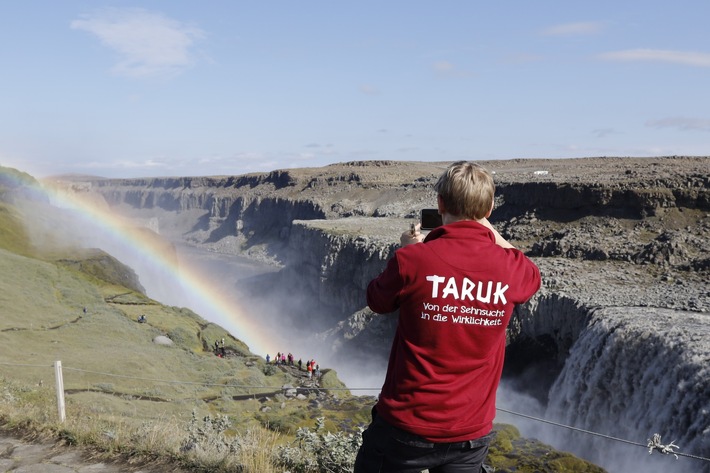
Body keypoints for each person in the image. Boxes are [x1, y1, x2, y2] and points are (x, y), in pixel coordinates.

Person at [354, 161, 541, 473]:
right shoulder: (512, 269)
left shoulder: (411, 260)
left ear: (440, 204)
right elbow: (529, 271)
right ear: (491, 208)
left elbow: (377, 300)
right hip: (469, 433)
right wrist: (485, 225)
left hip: (405, 429)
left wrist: (406, 250)